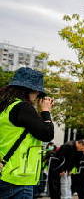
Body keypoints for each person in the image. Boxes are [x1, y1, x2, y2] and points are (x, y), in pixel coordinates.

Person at [0, 67, 54, 199]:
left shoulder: (6, 107)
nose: (37, 97)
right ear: (30, 90)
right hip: (19, 177)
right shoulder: (22, 107)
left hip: (4, 172)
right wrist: (46, 111)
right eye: (37, 93)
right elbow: (47, 134)